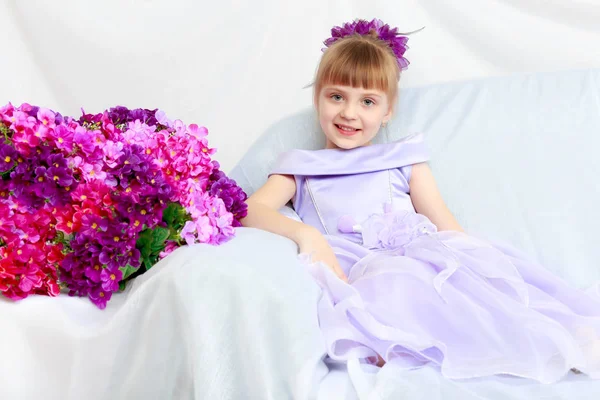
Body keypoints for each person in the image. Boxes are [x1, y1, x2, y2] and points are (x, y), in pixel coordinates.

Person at [240, 18, 600, 383]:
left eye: (367, 101)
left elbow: (446, 224)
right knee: (386, 284)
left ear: (387, 112)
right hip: (358, 271)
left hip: (420, 260)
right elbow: (249, 209)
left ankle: (551, 338)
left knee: (463, 293)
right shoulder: (301, 168)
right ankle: (398, 341)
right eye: (336, 96)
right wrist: (307, 235)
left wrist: (481, 268)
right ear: (317, 96)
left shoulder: (403, 160)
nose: (349, 113)